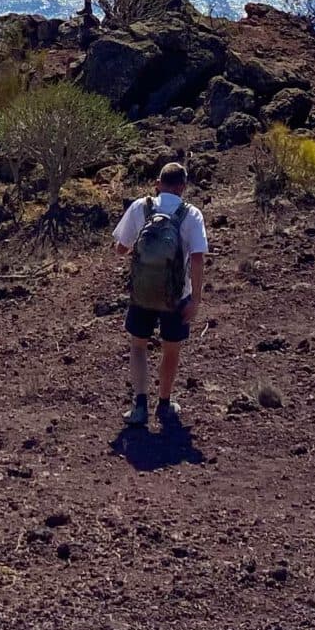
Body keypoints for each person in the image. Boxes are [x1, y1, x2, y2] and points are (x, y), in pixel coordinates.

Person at [113, 159, 209, 429]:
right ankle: (164, 404)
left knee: (138, 345)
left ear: (158, 184)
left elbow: (121, 249)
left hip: (142, 293)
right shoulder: (191, 214)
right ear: (183, 187)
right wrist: (196, 299)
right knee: (171, 349)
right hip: (176, 296)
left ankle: (139, 406)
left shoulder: (140, 208)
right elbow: (199, 258)